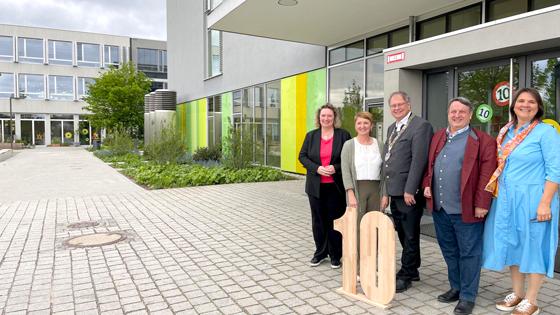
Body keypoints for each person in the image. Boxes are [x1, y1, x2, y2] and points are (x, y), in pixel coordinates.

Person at [482, 88, 560, 315]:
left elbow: (555, 171)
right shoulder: (506, 131)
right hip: (506, 199)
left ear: (538, 107)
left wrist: (545, 203)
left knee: (534, 245)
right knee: (513, 244)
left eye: (531, 102)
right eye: (521, 101)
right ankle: (517, 293)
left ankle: (532, 300)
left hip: (534, 198)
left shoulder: (546, 132)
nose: (526, 105)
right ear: (513, 105)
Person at [422, 97, 497, 315]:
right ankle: (455, 287)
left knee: (469, 253)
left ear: (470, 115)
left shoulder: (482, 140)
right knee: (449, 250)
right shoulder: (438, 136)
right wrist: (427, 184)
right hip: (441, 209)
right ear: (448, 113)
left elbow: (488, 175)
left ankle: (467, 296)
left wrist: (482, 203)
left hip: (467, 209)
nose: (457, 115)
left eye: (462, 112)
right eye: (453, 111)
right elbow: (431, 167)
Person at [380, 91, 433, 293]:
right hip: (394, 190)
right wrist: (386, 191)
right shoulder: (392, 127)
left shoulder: (421, 126)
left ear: (408, 104)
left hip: (408, 192)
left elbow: (419, 161)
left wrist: (410, 189)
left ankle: (406, 273)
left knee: (410, 234)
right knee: (402, 232)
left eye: (400, 104)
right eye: (393, 106)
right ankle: (414, 269)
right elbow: (388, 159)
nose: (396, 108)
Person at [299, 103, 352, 269]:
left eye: (329, 116)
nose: (326, 118)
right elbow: (302, 157)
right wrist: (317, 168)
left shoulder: (343, 135)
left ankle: (336, 255)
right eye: (323, 116)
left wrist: (334, 167)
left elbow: (348, 157)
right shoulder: (311, 136)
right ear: (319, 118)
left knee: (335, 221)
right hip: (316, 187)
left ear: (334, 118)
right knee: (318, 221)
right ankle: (320, 252)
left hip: (335, 187)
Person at [341, 111, 382, 262]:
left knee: (374, 227)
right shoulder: (349, 145)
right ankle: (358, 266)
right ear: (355, 125)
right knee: (357, 228)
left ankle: (371, 262)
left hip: (376, 190)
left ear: (371, 125)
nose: (362, 126)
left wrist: (385, 194)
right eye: (359, 123)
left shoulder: (379, 144)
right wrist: (350, 193)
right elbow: (345, 171)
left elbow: (385, 172)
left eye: (366, 123)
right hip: (357, 190)